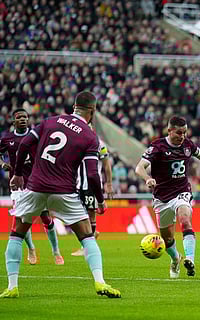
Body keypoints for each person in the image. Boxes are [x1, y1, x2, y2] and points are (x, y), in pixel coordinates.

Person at [0, 91, 120, 298]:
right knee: (87, 237)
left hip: (35, 187)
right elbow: (92, 173)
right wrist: (100, 200)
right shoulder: (90, 136)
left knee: (17, 234)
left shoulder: (51, 121)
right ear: (92, 110)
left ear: (74, 106)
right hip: (64, 192)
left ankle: (12, 287)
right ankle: (100, 282)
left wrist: (18, 174)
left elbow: (25, 144)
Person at [135, 116, 200, 279]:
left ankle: (190, 260)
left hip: (182, 192)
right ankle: (175, 258)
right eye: (179, 133)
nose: (182, 136)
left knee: (185, 219)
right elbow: (139, 168)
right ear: (169, 130)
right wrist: (147, 178)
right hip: (161, 197)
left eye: (185, 133)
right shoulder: (157, 146)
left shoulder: (187, 145)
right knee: (167, 238)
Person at [0, 109, 64, 265]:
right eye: (19, 117)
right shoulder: (7, 139)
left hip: (37, 182)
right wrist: (2, 163)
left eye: (25, 117)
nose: (22, 119)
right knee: (23, 218)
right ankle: (31, 248)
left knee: (46, 218)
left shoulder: (36, 136)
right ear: (13, 121)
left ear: (28, 120)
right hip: (18, 185)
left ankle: (56, 251)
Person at [72, 134, 114, 256]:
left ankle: (86, 247)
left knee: (90, 214)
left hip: (91, 185)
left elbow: (106, 165)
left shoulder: (100, 144)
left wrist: (109, 184)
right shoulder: (75, 141)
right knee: (76, 216)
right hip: (78, 184)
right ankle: (91, 236)